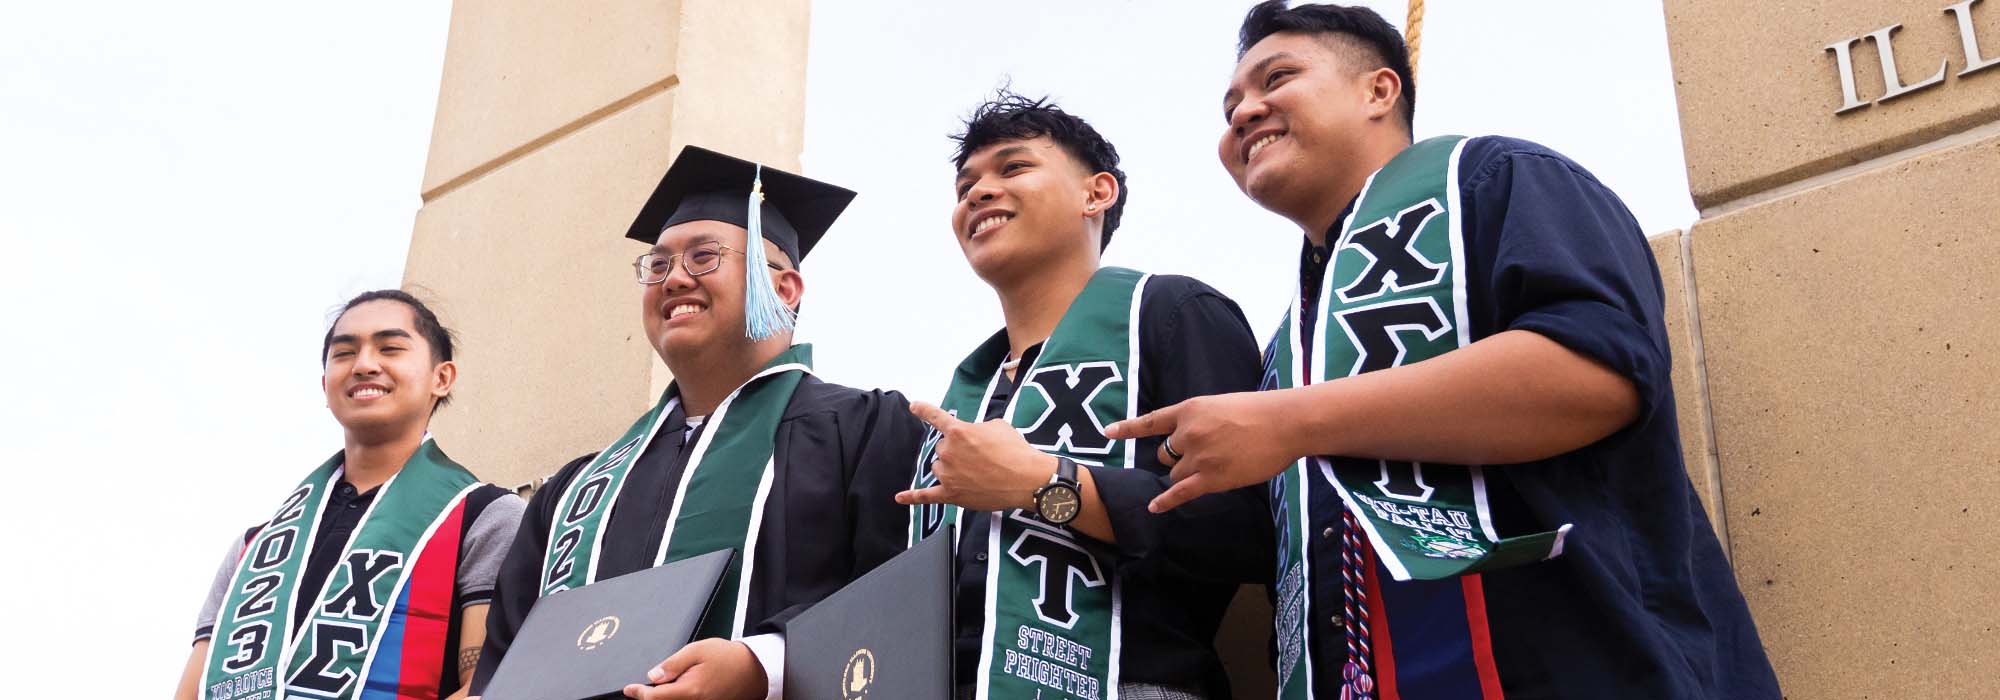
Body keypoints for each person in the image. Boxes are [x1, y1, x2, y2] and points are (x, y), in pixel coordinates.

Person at [1105, 3, 1782, 698]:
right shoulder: (1289, 347)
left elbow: (1597, 374)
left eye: (1277, 78)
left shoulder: (1499, 179)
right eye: (1229, 108)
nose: (1245, 113)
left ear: (1379, 89)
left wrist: (1294, 420)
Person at [466, 146, 925, 700]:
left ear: (784, 290)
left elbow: (907, 607)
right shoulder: (575, 492)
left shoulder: (868, 430)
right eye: (657, 265)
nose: (674, 278)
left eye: (704, 257)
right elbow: (507, 668)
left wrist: (765, 666)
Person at [897, 93, 1271, 700]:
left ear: (1096, 194)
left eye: (1013, 168)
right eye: (966, 184)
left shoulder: (1171, 315)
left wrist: (1049, 485)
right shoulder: (970, 393)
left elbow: (1245, 530)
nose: (978, 192)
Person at [176, 290, 525, 700]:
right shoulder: (253, 550)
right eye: (344, 354)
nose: (364, 365)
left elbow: (488, 684)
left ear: (441, 377)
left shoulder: (484, 516)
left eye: (390, 348)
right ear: (326, 385)